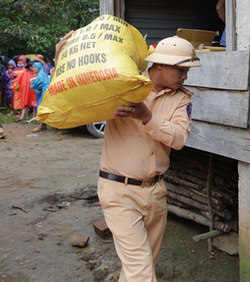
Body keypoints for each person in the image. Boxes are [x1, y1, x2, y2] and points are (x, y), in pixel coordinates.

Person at [55, 33, 201, 281]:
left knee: (142, 266)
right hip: (118, 190)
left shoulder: (181, 99)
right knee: (141, 271)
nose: (185, 76)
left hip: (156, 192)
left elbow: (178, 139)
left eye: (187, 70)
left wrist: (146, 116)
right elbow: (76, 95)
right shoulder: (123, 85)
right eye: (181, 70)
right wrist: (61, 58)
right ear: (160, 64)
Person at [29, 61, 50, 132]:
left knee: (42, 107)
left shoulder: (40, 74)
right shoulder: (41, 74)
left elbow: (38, 83)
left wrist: (32, 85)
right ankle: (43, 125)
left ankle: (41, 126)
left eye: (35, 67)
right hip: (44, 92)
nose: (33, 69)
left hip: (45, 92)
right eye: (33, 67)